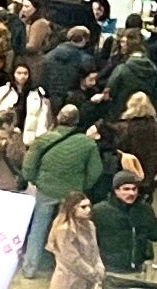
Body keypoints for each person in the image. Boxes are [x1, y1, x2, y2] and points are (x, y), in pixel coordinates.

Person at [20, 105, 101, 275]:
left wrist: (36, 180)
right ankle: (64, 269)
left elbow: (28, 165)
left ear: (58, 118)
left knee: (38, 227)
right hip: (72, 193)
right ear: (77, 121)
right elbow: (96, 171)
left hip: (46, 189)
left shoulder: (43, 139)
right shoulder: (87, 143)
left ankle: (30, 267)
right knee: (70, 230)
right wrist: (82, 185)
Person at [92, 171, 157, 277]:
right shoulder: (100, 211)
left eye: (134, 189)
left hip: (136, 271)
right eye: (126, 189)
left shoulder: (144, 210)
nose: (131, 193)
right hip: (109, 270)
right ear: (116, 190)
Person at [47, 189, 104, 289]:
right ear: (72, 208)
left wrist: (99, 267)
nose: (88, 210)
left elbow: (95, 250)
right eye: (83, 207)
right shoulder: (64, 230)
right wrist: (91, 273)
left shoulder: (90, 226)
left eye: (89, 206)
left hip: (87, 285)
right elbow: (71, 259)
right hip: (67, 285)